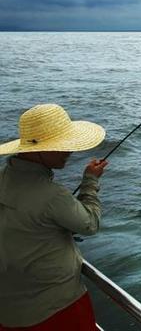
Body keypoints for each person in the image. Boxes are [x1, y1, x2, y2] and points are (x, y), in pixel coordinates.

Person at [0, 104, 108, 331]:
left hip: (8, 308)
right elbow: (90, 224)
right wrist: (90, 181)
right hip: (56, 308)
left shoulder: (3, 178)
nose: (69, 150)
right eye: (61, 145)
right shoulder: (53, 196)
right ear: (38, 151)